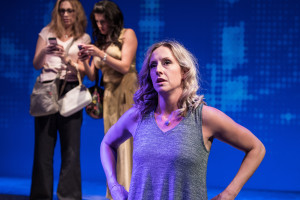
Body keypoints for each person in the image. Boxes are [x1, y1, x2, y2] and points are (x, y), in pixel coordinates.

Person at [100, 40, 266, 200]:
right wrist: (114, 186)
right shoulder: (138, 116)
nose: (158, 70)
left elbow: (256, 148)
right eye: (153, 65)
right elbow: (107, 144)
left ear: (184, 71)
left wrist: (229, 194)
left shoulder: (204, 117)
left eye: (166, 62)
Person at [30, 0, 91, 199]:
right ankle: (41, 195)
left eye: (69, 10)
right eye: (62, 10)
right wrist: (45, 51)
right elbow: (36, 64)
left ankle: (69, 196)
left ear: (76, 12)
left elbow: (86, 70)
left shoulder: (83, 37)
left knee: (71, 149)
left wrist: (68, 59)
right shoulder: (46, 32)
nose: (65, 14)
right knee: (43, 149)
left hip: (71, 90)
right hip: (47, 90)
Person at [78, 0, 138, 198]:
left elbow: (124, 66)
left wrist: (100, 54)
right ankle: (114, 192)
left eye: (104, 21)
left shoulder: (127, 34)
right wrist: (81, 60)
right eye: (97, 22)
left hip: (127, 92)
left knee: (128, 144)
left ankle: (131, 191)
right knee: (112, 143)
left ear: (113, 18)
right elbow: (93, 77)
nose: (101, 26)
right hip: (110, 95)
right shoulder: (99, 43)